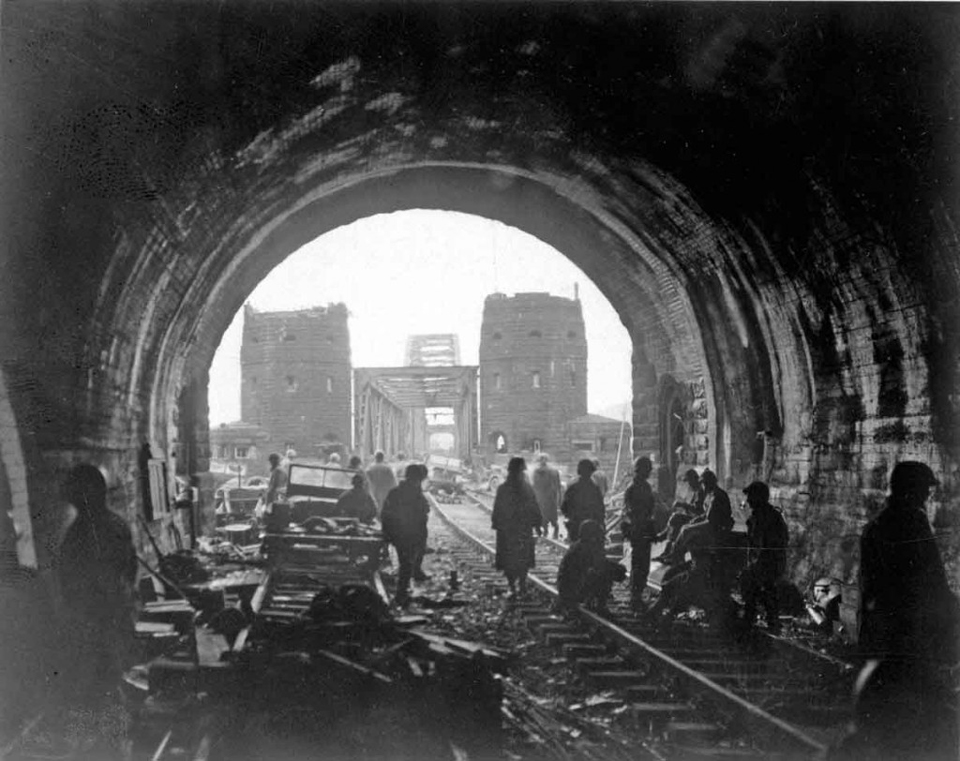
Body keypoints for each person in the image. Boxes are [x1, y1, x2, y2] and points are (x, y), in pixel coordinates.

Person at [835, 461, 959, 760]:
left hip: (882, 633)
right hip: (909, 632)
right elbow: (932, 581)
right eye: (923, 491)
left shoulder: (875, 526)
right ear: (909, 491)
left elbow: (868, 590)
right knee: (927, 705)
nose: (926, 498)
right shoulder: (912, 524)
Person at [58, 464, 138, 710]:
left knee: (100, 684)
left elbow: (69, 582)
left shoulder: (80, 533)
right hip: (111, 618)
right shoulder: (116, 524)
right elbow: (130, 569)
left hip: (97, 621)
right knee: (113, 679)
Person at [738, 481, 788, 634]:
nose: (748, 501)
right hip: (767, 563)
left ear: (759, 497)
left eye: (751, 497)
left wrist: (755, 567)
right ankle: (764, 620)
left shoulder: (768, 517)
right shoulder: (762, 516)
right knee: (761, 589)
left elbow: (765, 546)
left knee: (755, 584)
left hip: (770, 563)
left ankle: (757, 619)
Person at [491, 457, 543, 598]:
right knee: (522, 558)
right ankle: (520, 585)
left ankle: (514, 586)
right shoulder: (526, 488)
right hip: (522, 529)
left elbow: (497, 509)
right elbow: (534, 507)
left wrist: (496, 524)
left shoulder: (503, 488)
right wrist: (537, 524)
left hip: (508, 530)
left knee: (509, 558)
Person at [656, 469, 733, 564]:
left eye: (704, 484)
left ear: (709, 483)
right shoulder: (711, 494)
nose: (702, 486)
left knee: (685, 530)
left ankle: (676, 555)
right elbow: (706, 514)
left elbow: (711, 520)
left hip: (716, 529)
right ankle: (675, 554)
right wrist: (698, 519)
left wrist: (695, 523)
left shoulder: (717, 496)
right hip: (711, 524)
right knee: (685, 527)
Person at [380, 464, 431, 605]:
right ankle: (401, 595)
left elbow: (385, 514)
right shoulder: (414, 493)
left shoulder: (395, 491)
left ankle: (402, 593)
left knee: (406, 564)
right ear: (417, 478)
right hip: (408, 535)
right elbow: (423, 511)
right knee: (406, 565)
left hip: (399, 534)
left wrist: (387, 534)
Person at [555, 520, 627, 615]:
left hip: (567, 589)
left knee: (600, 572)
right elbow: (601, 565)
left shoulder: (578, 546)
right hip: (574, 591)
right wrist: (619, 570)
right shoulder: (588, 548)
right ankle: (599, 605)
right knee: (605, 575)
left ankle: (590, 601)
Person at [620, 457, 657, 610]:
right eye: (647, 469)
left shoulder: (641, 487)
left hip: (641, 529)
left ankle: (637, 595)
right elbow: (630, 511)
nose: (649, 472)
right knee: (639, 564)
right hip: (639, 529)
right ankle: (635, 597)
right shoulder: (635, 488)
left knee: (642, 564)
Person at [561, 459, 605, 542]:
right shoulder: (595, 488)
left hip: (575, 525)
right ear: (592, 472)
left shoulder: (573, 487)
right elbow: (600, 509)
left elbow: (564, 507)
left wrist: (570, 516)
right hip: (591, 526)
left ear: (579, 471)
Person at [531, 453, 562, 539]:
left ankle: (545, 531)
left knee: (543, 515)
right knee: (553, 516)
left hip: (541, 498)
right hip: (551, 498)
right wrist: (559, 499)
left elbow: (534, 486)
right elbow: (558, 486)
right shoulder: (554, 471)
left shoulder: (536, 472)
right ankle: (555, 531)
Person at [366, 450, 399, 515]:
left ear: (375, 458)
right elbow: (393, 481)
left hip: (373, 490)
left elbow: (367, 480)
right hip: (385, 491)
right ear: (383, 458)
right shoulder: (387, 468)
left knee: (375, 505)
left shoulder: (370, 468)